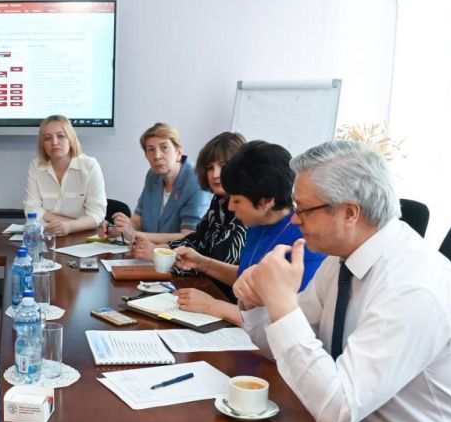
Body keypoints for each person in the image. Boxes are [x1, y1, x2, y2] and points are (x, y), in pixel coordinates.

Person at [233, 141, 451, 422]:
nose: (295, 221)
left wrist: (283, 305)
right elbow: (279, 348)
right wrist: (258, 302)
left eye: (303, 209)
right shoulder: (341, 260)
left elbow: (337, 410)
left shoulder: (413, 286)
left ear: (349, 212)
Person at [170, 140, 325, 325]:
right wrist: (202, 263)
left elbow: (290, 320)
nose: (230, 207)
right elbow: (248, 278)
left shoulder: (306, 242)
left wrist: (213, 306)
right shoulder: (257, 222)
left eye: (236, 201)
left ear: (266, 202)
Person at [127, 132, 247, 297]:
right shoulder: (219, 201)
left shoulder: (244, 209)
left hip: (226, 298)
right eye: (210, 168)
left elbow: (214, 264)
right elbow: (196, 239)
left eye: (223, 166)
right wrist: (158, 250)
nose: (215, 174)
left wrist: (161, 258)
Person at [107, 122, 210, 244]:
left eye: (164, 148)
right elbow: (137, 221)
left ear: (179, 152)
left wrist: (135, 235)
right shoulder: (153, 175)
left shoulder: (197, 182)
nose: (157, 156)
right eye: (151, 150)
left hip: (179, 254)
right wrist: (116, 229)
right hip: (149, 252)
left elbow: (189, 236)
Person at [22, 115, 107, 235]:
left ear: (70, 139)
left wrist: (70, 227)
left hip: (81, 236)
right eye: (47, 138)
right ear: (43, 144)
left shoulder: (89, 166)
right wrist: (71, 223)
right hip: (48, 235)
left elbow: (96, 214)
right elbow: (31, 210)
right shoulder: (36, 166)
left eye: (61, 136)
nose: (54, 142)